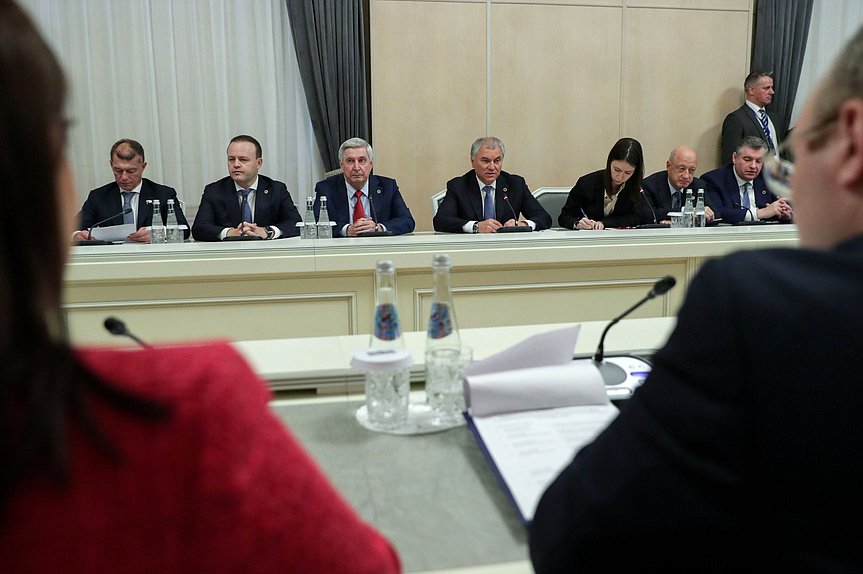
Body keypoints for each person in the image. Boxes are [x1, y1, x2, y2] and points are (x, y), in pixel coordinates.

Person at [0, 3, 399, 572]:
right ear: (43, 172)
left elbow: (292, 223)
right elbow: (199, 231)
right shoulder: (195, 399)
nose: (235, 165)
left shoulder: (281, 187)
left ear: (257, 161)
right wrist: (232, 229)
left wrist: (265, 230)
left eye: (243, 158)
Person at [530, 23, 863, 572]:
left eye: (801, 150)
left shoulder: (760, 304)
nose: (790, 178)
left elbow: (575, 534)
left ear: (850, 141)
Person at [74, 139, 189, 242]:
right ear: (111, 165)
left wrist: (156, 233)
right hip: (112, 259)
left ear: (143, 167)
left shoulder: (163, 194)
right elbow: (73, 229)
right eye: (118, 170)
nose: (124, 177)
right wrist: (77, 235)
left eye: (131, 171)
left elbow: (184, 230)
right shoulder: (98, 196)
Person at [191, 135, 301, 241]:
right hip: (228, 254)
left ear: (258, 163)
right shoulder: (214, 191)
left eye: (243, 159)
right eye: (231, 159)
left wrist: (268, 231)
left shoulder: (277, 189)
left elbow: (296, 223)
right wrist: (228, 233)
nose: (236, 164)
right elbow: (199, 228)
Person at [433, 136, 552, 233]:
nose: (492, 167)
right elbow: (441, 221)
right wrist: (476, 227)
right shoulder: (458, 186)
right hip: (470, 248)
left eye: (497, 161)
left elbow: (544, 218)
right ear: (473, 161)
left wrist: (521, 224)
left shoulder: (515, 184)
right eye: (485, 161)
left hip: (507, 249)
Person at [313, 137, 415, 236]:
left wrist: (378, 228)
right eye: (350, 161)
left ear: (370, 164)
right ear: (341, 165)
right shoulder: (326, 188)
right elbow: (315, 223)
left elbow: (407, 221)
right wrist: (347, 229)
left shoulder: (388, 186)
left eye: (362, 160)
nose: (356, 168)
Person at [559, 137, 649, 230]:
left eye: (628, 173)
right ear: (609, 163)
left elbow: (638, 217)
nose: (620, 177)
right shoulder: (587, 183)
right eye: (617, 170)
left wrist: (605, 223)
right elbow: (564, 217)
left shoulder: (637, 187)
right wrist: (577, 223)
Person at [702, 136, 792, 224]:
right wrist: (760, 213)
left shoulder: (769, 179)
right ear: (734, 158)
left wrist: (786, 214)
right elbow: (717, 212)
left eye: (758, 161)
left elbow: (782, 208)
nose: (753, 166)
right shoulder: (713, 180)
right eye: (747, 159)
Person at [641, 145, 715, 224]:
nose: (686, 176)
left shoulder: (698, 185)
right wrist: (685, 211)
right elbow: (648, 215)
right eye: (681, 169)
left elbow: (715, 215)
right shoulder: (650, 185)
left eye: (691, 170)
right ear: (669, 166)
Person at [720, 71, 780, 164]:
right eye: (766, 88)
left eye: (771, 87)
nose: (772, 92)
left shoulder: (774, 118)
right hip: (754, 176)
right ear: (751, 90)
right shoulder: (736, 119)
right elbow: (730, 159)